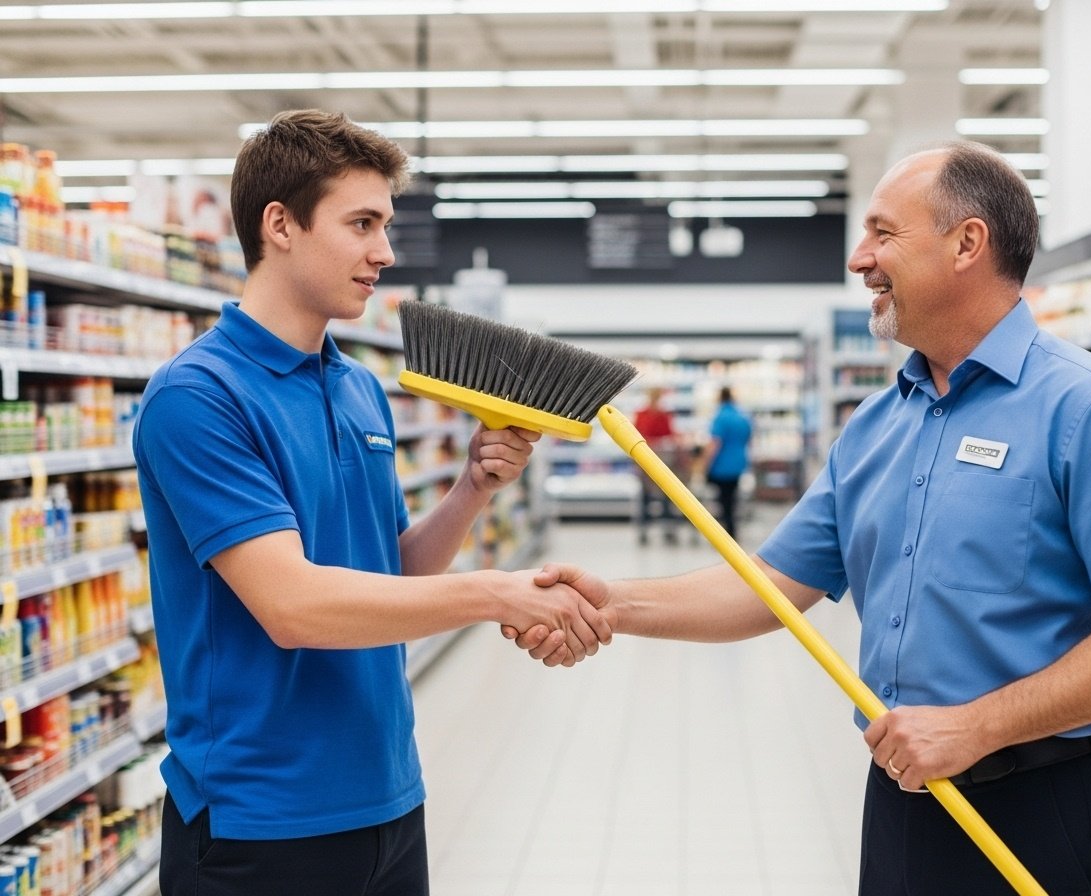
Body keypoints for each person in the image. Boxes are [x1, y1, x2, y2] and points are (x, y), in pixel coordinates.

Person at [509, 141, 1091, 895]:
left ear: (967, 243)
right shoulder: (878, 426)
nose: (858, 259)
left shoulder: (1088, 409)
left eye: (882, 232)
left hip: (1041, 805)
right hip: (903, 799)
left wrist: (976, 727)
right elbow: (771, 584)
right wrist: (613, 604)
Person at [133, 109, 610, 896]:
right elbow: (293, 607)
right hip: (262, 820)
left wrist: (470, 492)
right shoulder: (198, 397)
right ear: (279, 225)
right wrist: (498, 594)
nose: (384, 252)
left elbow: (393, 574)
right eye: (361, 224)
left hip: (389, 796)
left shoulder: (359, 387)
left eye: (384, 224)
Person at [632, 386, 681, 544]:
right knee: (656, 496)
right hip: (654, 462)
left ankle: (655, 530)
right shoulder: (648, 415)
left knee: (655, 497)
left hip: (656, 461)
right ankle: (657, 530)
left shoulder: (658, 415)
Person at [704, 385, 752, 539]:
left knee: (723, 500)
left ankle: (727, 533)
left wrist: (705, 462)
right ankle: (732, 530)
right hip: (738, 463)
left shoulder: (721, 417)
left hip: (722, 465)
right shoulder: (742, 417)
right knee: (732, 499)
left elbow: (715, 443)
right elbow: (748, 439)